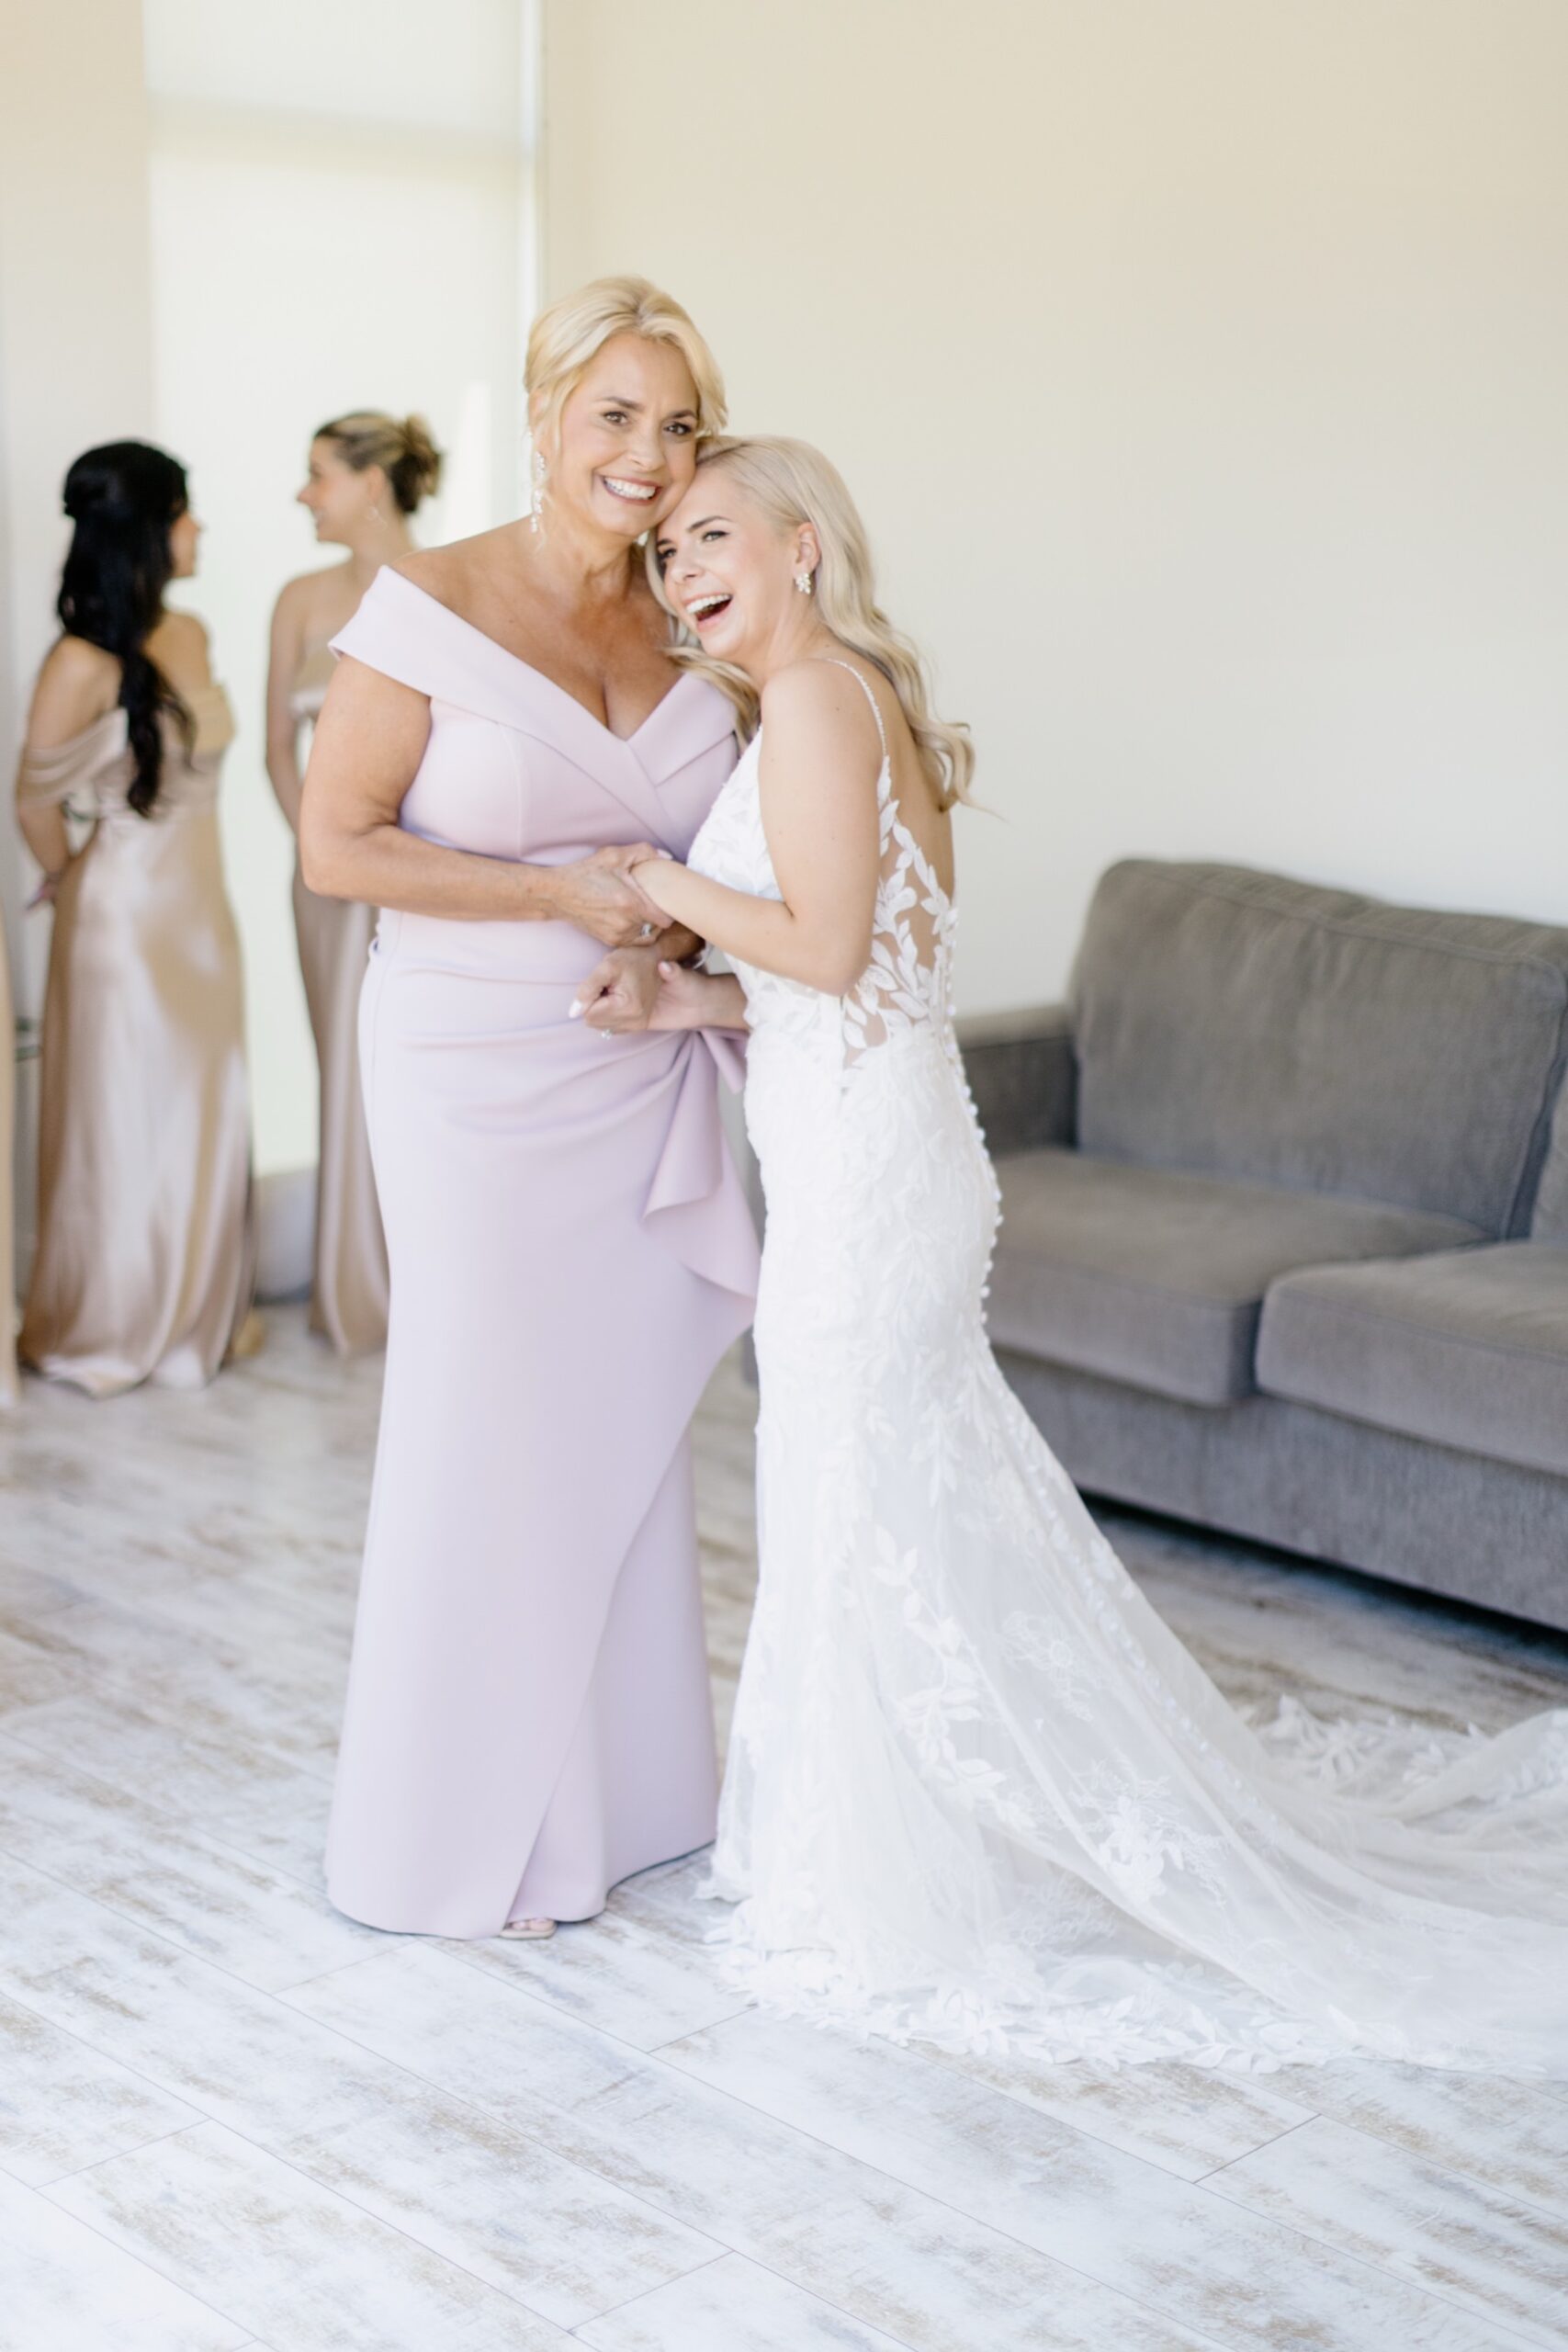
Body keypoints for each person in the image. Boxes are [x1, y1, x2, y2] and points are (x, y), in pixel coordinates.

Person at [622, 434, 1568, 2074]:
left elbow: (829, 947)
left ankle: (870, 1877)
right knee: (872, 1504)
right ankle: (887, 1836)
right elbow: (857, 985)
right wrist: (684, 992)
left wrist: (656, 885)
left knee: (847, 1502)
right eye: (663, 552)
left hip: (865, 1185)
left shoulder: (820, 702)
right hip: (882, 1149)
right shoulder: (834, 703)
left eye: (711, 533)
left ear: (798, 547)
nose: (681, 569)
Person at [302, 278, 758, 1941]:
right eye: (617, 414)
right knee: (484, 1420)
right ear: (547, 408)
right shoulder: (423, 605)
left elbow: (762, 844)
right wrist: (559, 899)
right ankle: (449, 1836)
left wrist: (696, 944)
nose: (646, 457)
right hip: (472, 1074)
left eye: (680, 423)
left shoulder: (703, 609)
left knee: (618, 1433)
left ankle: (631, 1808)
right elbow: (337, 844)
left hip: (645, 1062)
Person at [15, 442, 255, 1397]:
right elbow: (31, 798)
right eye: (187, 511)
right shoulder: (76, 660)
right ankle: (110, 1319)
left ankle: (196, 1312)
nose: (199, 528)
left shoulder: (189, 632)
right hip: (118, 920)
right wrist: (70, 874)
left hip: (201, 911)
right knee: (118, 1116)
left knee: (202, 1105)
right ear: (151, 531)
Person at [266, 412, 443, 1355]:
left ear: (373, 482)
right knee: (346, 1064)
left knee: (420, 1068)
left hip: (421, 877)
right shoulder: (298, 599)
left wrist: (406, 862)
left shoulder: (449, 586)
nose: (303, 495)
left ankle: (429, 1281)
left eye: (317, 475)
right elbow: (270, 747)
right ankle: (354, 1291)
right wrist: (325, 852)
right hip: (325, 882)